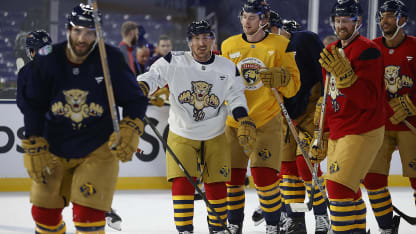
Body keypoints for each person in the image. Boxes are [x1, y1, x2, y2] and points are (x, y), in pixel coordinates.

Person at [16, 4, 148, 234]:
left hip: (98, 148)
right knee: (43, 213)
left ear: (98, 33)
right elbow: (33, 105)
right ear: (68, 30)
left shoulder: (111, 59)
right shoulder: (49, 58)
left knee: (89, 217)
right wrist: (33, 139)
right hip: (54, 146)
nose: (82, 38)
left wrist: (131, 126)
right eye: (77, 30)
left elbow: (135, 100)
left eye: (89, 32)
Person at [138, 20, 254, 234]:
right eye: (196, 38)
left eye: (206, 38)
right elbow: (154, 76)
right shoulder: (174, 60)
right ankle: (185, 230)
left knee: (217, 183)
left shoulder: (227, 66)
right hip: (182, 133)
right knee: (182, 183)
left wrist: (243, 118)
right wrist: (143, 85)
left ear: (213, 40)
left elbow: (236, 96)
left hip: (216, 133)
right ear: (189, 42)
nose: (201, 43)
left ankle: (218, 229)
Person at [221, 0, 301, 233]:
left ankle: (273, 226)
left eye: (253, 17)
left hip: (267, 121)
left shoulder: (280, 44)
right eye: (244, 16)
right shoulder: (228, 45)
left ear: (264, 20)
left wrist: (283, 79)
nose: (247, 21)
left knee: (265, 179)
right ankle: (234, 224)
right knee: (233, 180)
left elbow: (294, 86)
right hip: (234, 122)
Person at [251, 10, 330, 234]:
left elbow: (324, 71)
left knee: (306, 165)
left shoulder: (303, 39)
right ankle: (296, 219)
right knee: (288, 171)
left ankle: (322, 215)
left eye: (268, 31)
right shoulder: (267, 50)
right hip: (285, 115)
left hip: (310, 113)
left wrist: (324, 99)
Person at [311, 0, 385, 233]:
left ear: (358, 22)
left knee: (336, 187)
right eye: (337, 21)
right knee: (349, 191)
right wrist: (321, 133)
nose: (341, 25)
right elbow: (328, 97)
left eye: (346, 20)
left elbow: (369, 100)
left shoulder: (368, 50)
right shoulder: (331, 52)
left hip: (363, 129)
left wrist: (348, 79)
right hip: (339, 129)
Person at [363, 0, 416, 233]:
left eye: (391, 16)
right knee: (373, 180)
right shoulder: (371, 48)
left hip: (410, 125)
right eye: (383, 16)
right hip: (380, 126)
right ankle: (387, 227)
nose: (384, 20)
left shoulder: (415, 47)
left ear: (403, 19)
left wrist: (413, 104)